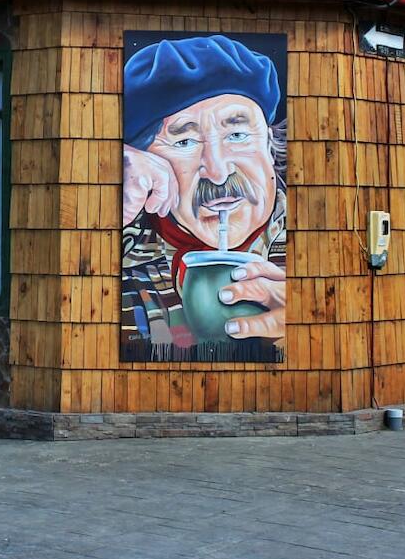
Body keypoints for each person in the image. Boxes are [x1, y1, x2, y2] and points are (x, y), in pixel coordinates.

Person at [121, 34, 286, 360]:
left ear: (268, 142)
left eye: (237, 135)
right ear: (145, 162)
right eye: (184, 142)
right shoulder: (124, 251)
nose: (219, 171)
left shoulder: (322, 241)